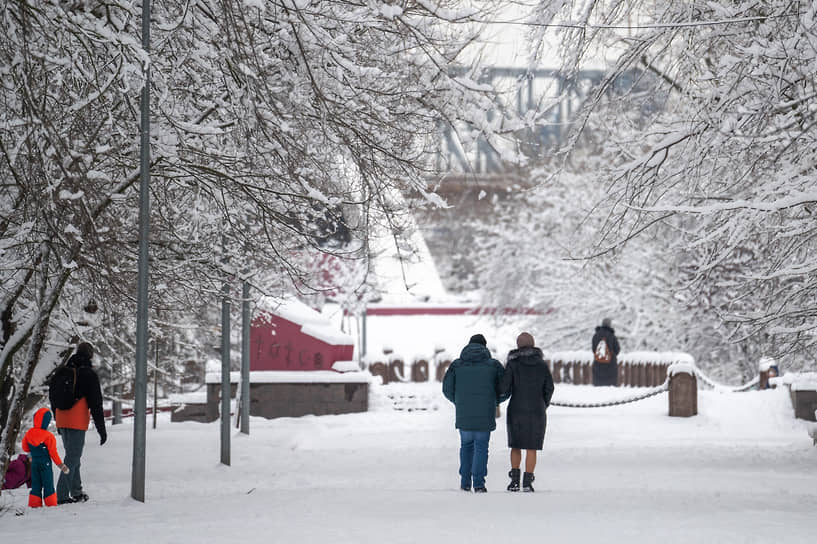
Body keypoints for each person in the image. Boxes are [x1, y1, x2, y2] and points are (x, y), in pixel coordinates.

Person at [442, 334, 506, 493]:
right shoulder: (494, 366)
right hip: (485, 413)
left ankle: (464, 482)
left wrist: (459, 401)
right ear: (485, 347)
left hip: (464, 413)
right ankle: (479, 484)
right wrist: (494, 401)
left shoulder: (457, 365)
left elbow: (447, 389)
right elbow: (505, 388)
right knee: (481, 447)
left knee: (466, 446)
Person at [50, 341, 107, 504]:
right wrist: (101, 430)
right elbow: (96, 404)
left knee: (73, 456)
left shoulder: (62, 371)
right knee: (73, 457)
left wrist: (57, 418)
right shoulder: (88, 374)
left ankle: (76, 491)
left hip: (62, 418)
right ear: (90, 355)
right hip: (76, 420)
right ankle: (61, 494)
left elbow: (52, 397)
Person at [499, 332, 554, 492]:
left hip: (516, 409)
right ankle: (528, 482)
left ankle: (514, 481)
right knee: (532, 447)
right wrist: (543, 404)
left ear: (518, 346)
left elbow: (504, 387)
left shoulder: (513, 364)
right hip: (537, 410)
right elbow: (549, 387)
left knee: (515, 445)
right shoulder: (542, 365)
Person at [21, 407, 70, 507]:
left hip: (34, 463)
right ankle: (51, 503)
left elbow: (25, 448)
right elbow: (53, 453)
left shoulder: (29, 433)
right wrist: (61, 466)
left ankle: (34, 503)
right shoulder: (48, 436)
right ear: (46, 421)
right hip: (45, 464)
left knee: (35, 484)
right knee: (48, 484)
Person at [592, 317, 621, 386]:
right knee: (610, 386)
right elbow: (617, 350)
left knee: (598, 386)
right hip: (610, 365)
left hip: (598, 363)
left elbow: (594, 349)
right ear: (609, 325)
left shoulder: (596, 335)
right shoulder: (612, 336)